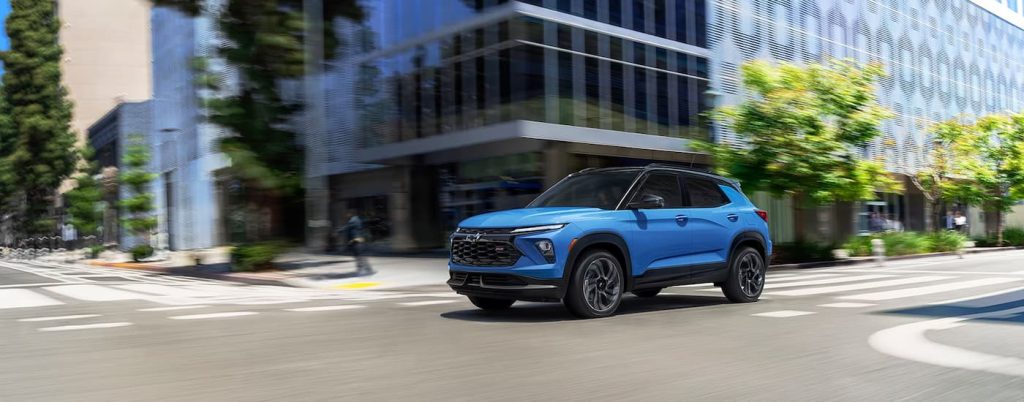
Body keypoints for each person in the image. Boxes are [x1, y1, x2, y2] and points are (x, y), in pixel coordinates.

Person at [339, 209, 374, 276]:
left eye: (347, 214)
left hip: (357, 242)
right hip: (358, 241)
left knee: (359, 257)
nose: (346, 215)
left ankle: (360, 271)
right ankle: (369, 270)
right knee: (361, 256)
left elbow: (347, 227)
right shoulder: (355, 219)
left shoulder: (353, 220)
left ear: (351, 214)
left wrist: (340, 230)